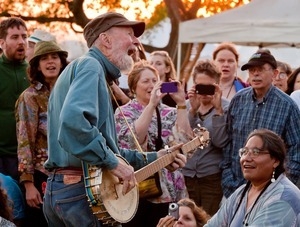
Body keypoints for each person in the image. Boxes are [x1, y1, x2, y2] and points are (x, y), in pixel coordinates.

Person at [43, 12, 187, 227]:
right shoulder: (91, 67)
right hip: (81, 193)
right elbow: (74, 125)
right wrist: (112, 163)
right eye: (129, 34)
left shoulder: (84, 68)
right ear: (106, 40)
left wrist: (158, 157)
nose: (136, 42)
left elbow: (112, 152)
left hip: (65, 189)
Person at [115, 60, 193, 227]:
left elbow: (184, 142)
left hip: (171, 190)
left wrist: (181, 104)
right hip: (138, 191)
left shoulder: (170, 112)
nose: (151, 85)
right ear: (134, 87)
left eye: (154, 81)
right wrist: (151, 104)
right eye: (146, 81)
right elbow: (132, 142)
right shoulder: (124, 113)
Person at [221, 50, 300, 199]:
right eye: (252, 71)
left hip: (271, 192)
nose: (255, 74)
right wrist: (227, 179)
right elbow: (228, 143)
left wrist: (280, 187)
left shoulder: (287, 105)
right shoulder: (238, 100)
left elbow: (296, 151)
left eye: (261, 70)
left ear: (275, 74)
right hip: (234, 188)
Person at [15, 41, 68, 227]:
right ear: (37, 65)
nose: (50, 62)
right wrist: (28, 184)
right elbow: (24, 142)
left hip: (71, 173)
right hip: (42, 175)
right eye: (44, 59)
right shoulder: (30, 97)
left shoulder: (71, 93)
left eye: (54, 57)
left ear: (62, 62)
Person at [205, 129, 300, 226]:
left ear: (275, 161)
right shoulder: (240, 193)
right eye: (244, 152)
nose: (246, 158)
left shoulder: (284, 197)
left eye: (256, 152)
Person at [183, 60, 229, 216]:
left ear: (217, 85)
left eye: (208, 87)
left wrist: (218, 111)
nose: (203, 92)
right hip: (187, 175)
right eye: (199, 86)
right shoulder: (186, 106)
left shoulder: (226, 107)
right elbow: (183, 139)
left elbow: (220, 141)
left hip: (211, 177)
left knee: (208, 220)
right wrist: (192, 112)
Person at [0, 17, 29, 180]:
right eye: (15, 37)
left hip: (28, 157)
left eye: (24, 37)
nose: (21, 42)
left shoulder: (34, 72)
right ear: (2, 43)